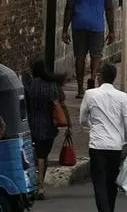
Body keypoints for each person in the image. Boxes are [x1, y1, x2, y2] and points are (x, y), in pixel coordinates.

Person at [80, 62, 127, 212]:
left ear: (100, 77)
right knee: (111, 183)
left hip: (97, 145)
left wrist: (92, 128)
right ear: (114, 77)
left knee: (99, 183)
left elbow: (83, 119)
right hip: (115, 146)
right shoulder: (122, 97)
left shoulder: (90, 94)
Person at [63, 0, 116, 98]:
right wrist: (112, 31)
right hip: (97, 25)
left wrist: (64, 30)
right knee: (96, 55)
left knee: (79, 57)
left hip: (78, 24)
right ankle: (92, 78)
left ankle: (80, 88)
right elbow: (109, 8)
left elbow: (69, 7)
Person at [23, 59, 68, 200]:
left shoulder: (30, 85)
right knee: (43, 155)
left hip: (32, 125)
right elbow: (60, 103)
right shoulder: (52, 85)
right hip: (49, 125)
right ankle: (40, 186)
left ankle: (36, 183)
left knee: (36, 155)